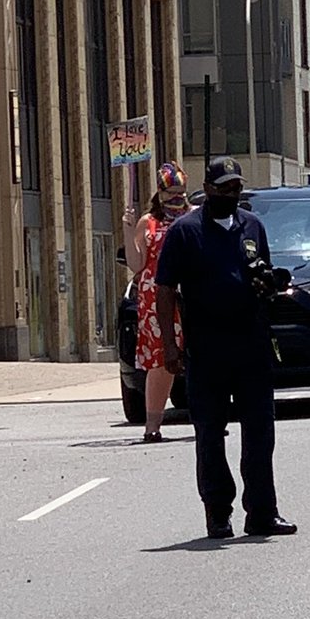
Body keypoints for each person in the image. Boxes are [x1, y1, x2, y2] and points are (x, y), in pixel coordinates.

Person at [155, 156, 297, 539]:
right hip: (206, 346)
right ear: (210, 189)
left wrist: (269, 287)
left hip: (250, 343)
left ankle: (263, 512)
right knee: (210, 432)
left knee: (260, 431)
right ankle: (218, 511)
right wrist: (170, 345)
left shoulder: (252, 226)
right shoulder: (185, 231)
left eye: (237, 187)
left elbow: (262, 271)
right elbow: (165, 290)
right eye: (226, 188)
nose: (233, 194)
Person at [122, 163, 190, 442]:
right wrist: (128, 231)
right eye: (171, 192)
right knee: (160, 363)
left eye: (181, 192)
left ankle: (209, 417)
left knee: (200, 357)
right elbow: (137, 264)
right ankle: (153, 425)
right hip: (154, 300)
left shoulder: (195, 217)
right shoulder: (148, 222)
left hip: (189, 295)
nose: (177, 198)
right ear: (160, 193)